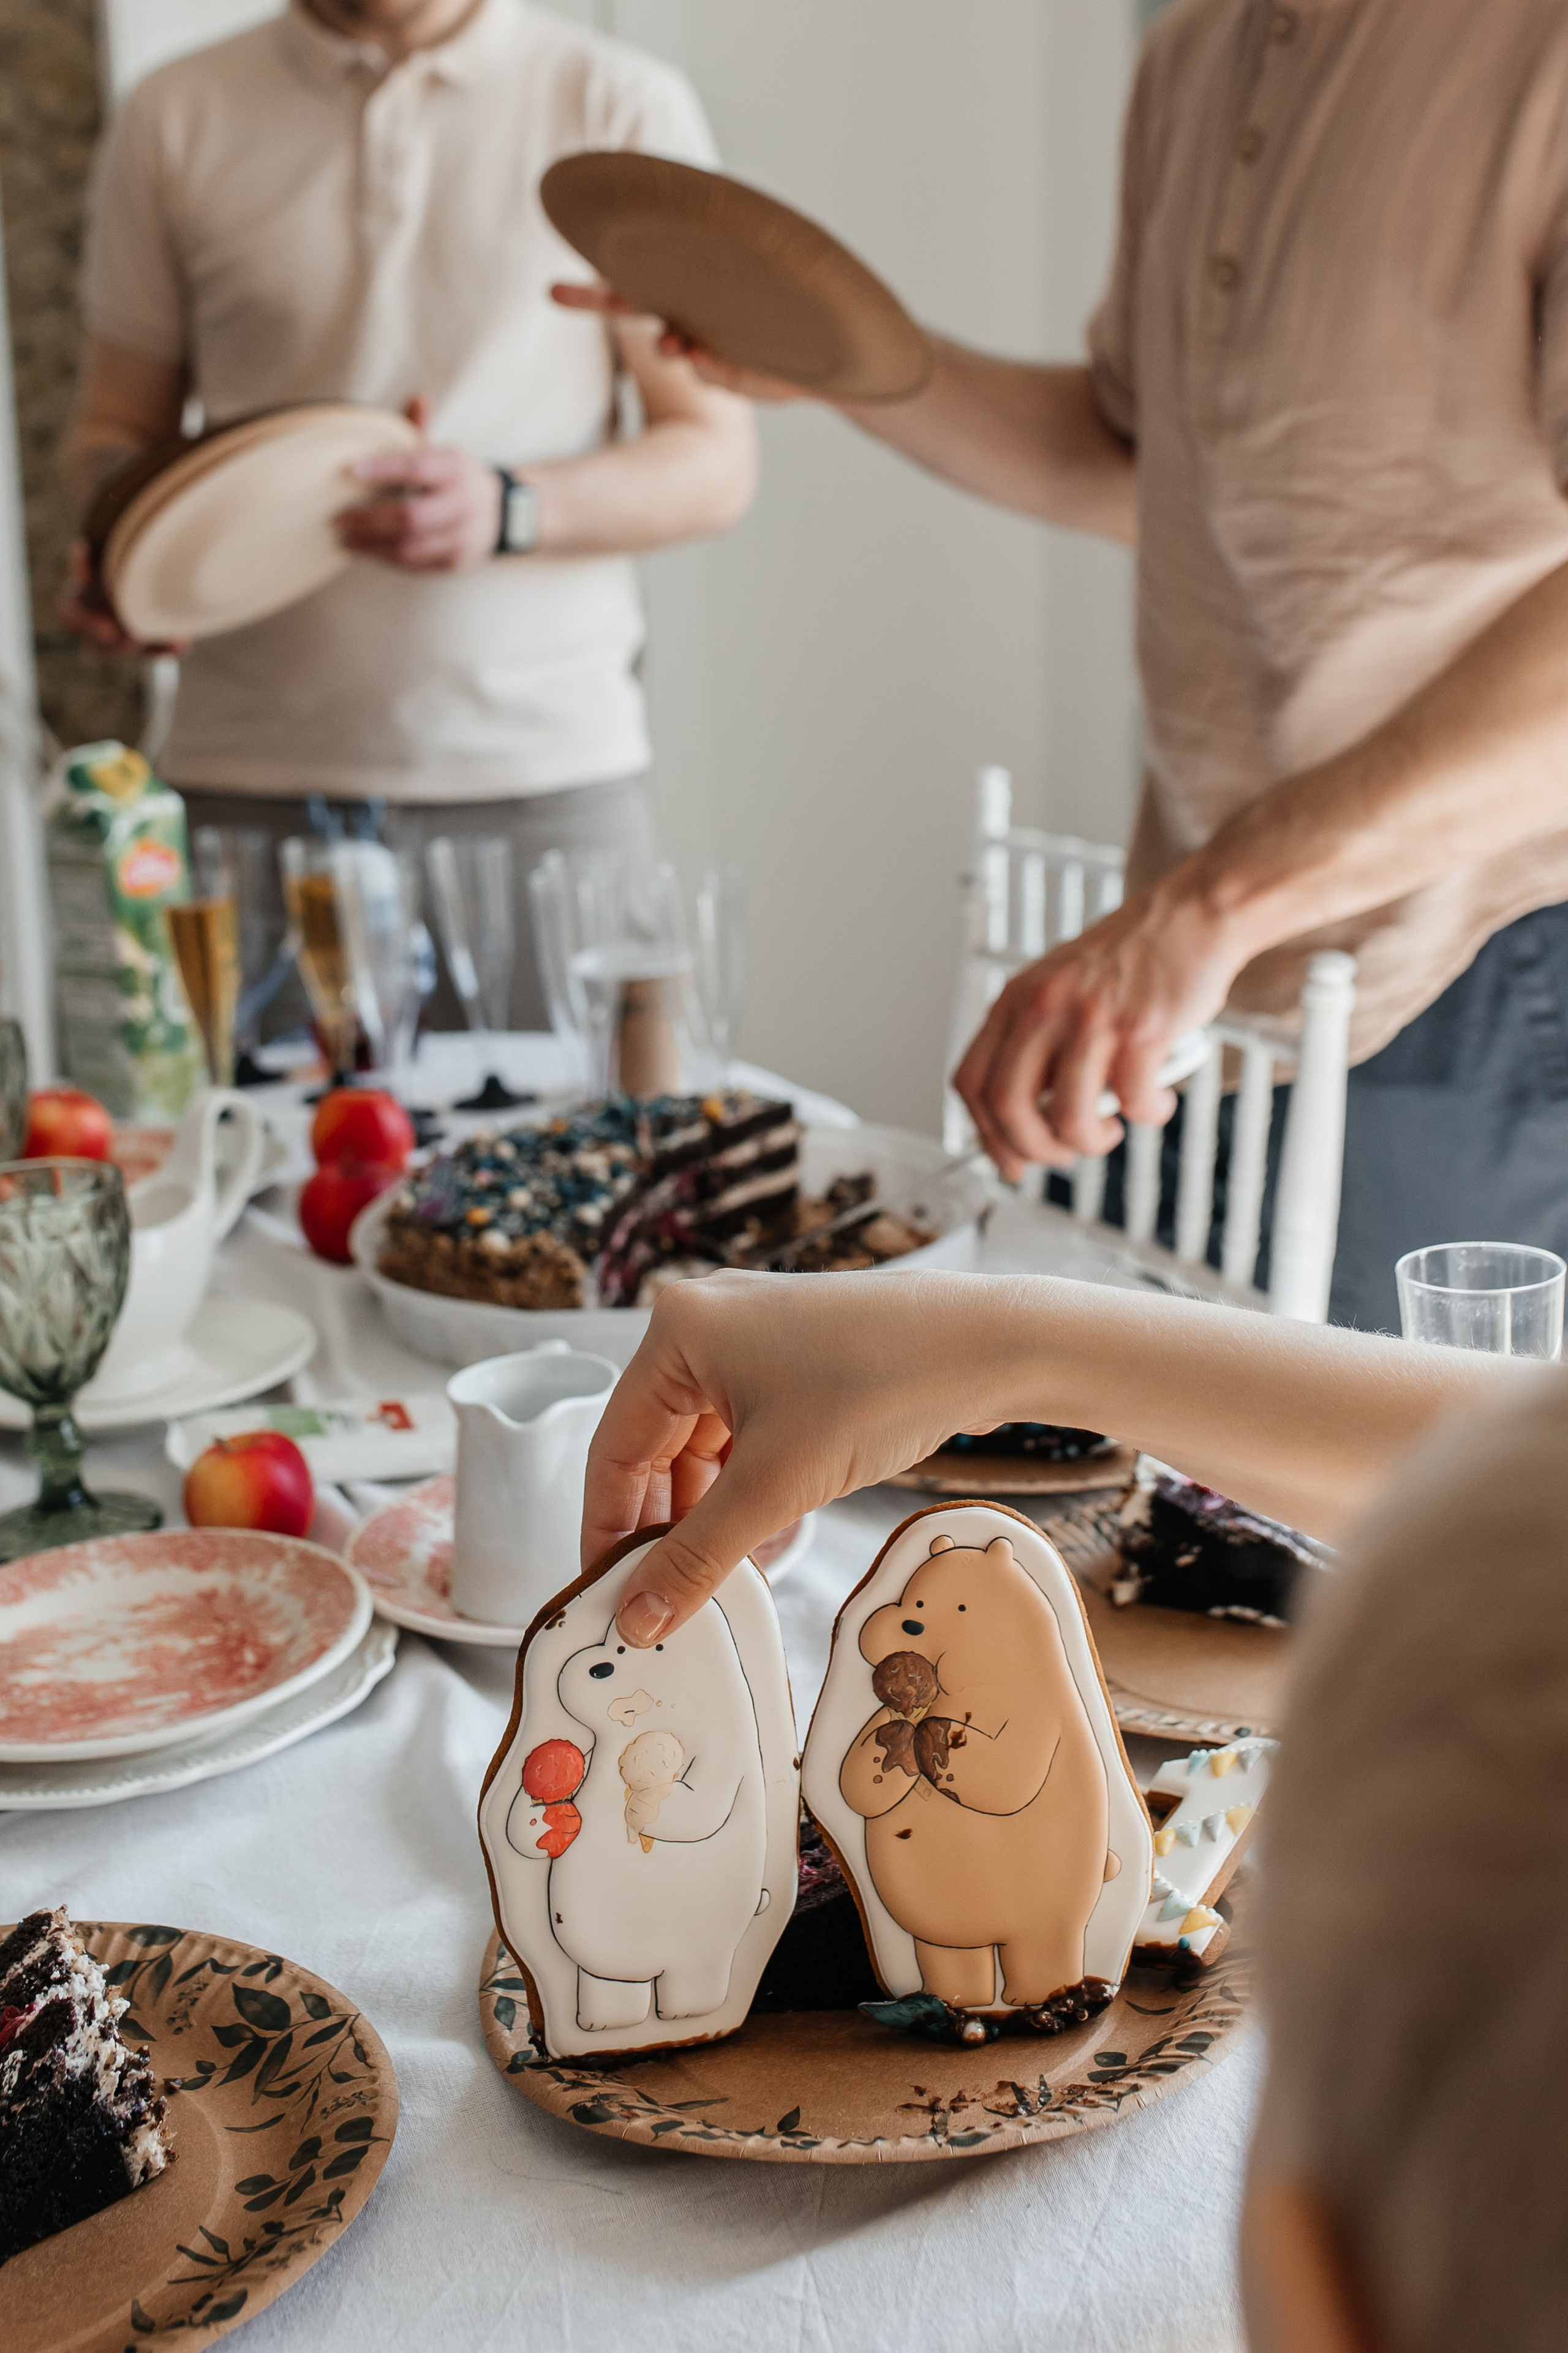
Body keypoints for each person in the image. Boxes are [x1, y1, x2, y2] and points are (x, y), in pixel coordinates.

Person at [568, 0, 1568, 1329]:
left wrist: (1207, 907)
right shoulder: (1195, 52)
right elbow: (1132, 463)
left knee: (1381, 1465)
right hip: (1197, 967)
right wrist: (844, 365)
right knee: (1165, 1444)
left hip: (1476, 951)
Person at [580, 1268, 1568, 2351]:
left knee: (1031, 1933)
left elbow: (1011, 1780)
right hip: (930, 1911)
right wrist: (1006, 1341)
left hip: (1036, 1902)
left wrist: (1011, 1343)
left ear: (1324, 2286)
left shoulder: (1025, 1701)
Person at [62, 0, 756, 1030]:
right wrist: (124, 553)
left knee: (600, 1134)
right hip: (247, 793)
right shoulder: (174, 111)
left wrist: (511, 507)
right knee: (246, 1140)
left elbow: (713, 458)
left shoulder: (617, 103)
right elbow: (115, 430)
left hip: (546, 791)